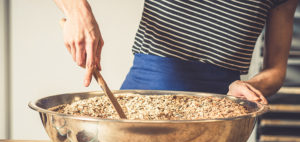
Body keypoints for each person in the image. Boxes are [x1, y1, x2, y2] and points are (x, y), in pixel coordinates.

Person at [54, 0, 299, 104]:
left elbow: (275, 71)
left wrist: (248, 87)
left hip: (224, 108)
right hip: (145, 95)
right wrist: (79, 13)